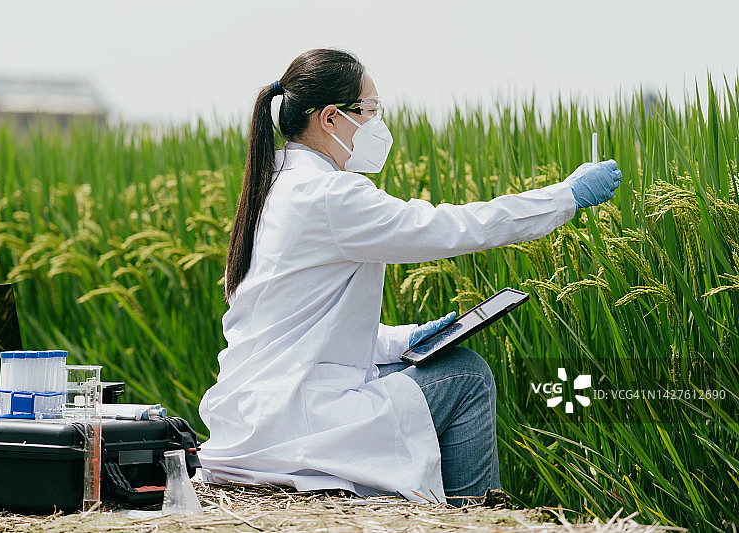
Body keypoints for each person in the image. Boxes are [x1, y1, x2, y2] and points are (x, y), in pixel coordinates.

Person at [197, 49, 621, 506]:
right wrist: (564, 197)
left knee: (423, 364)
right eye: (370, 110)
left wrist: (404, 339)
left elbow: (296, 324)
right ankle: (473, 518)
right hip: (293, 424)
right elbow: (452, 227)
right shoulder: (329, 195)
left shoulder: (271, 187)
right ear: (331, 118)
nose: (377, 124)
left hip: (251, 417)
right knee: (467, 375)